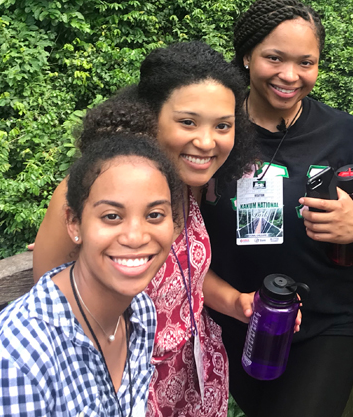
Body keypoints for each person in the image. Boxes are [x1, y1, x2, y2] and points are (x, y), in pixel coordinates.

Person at [32, 41, 260, 417]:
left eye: (223, 125)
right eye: (188, 122)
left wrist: (236, 302)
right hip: (123, 389)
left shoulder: (189, 184)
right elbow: (45, 302)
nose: (206, 141)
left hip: (192, 380)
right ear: (150, 118)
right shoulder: (92, 189)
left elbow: (185, 273)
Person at [201, 0, 353, 417]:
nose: (290, 75)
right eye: (274, 58)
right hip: (239, 319)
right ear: (247, 56)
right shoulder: (214, 131)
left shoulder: (344, 135)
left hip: (328, 320)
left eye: (306, 62)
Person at [0, 132, 180, 416]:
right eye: (112, 216)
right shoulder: (15, 359)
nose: (136, 236)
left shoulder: (140, 313)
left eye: (154, 215)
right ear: (74, 224)